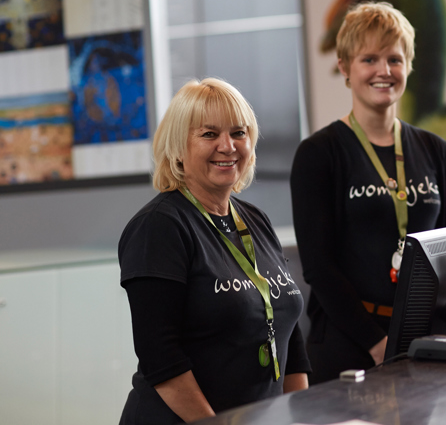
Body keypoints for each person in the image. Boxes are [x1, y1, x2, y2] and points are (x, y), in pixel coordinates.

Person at [118, 78, 310, 424]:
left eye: (239, 133)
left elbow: (289, 334)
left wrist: (296, 417)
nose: (228, 146)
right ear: (178, 148)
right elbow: (160, 357)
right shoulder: (159, 227)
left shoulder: (255, 220)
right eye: (209, 134)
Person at [291, 2, 446, 384]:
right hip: (347, 344)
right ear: (345, 68)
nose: (384, 71)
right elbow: (319, 266)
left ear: (409, 66)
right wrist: (377, 343)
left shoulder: (435, 150)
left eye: (394, 59)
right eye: (369, 59)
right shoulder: (319, 154)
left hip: (425, 341)